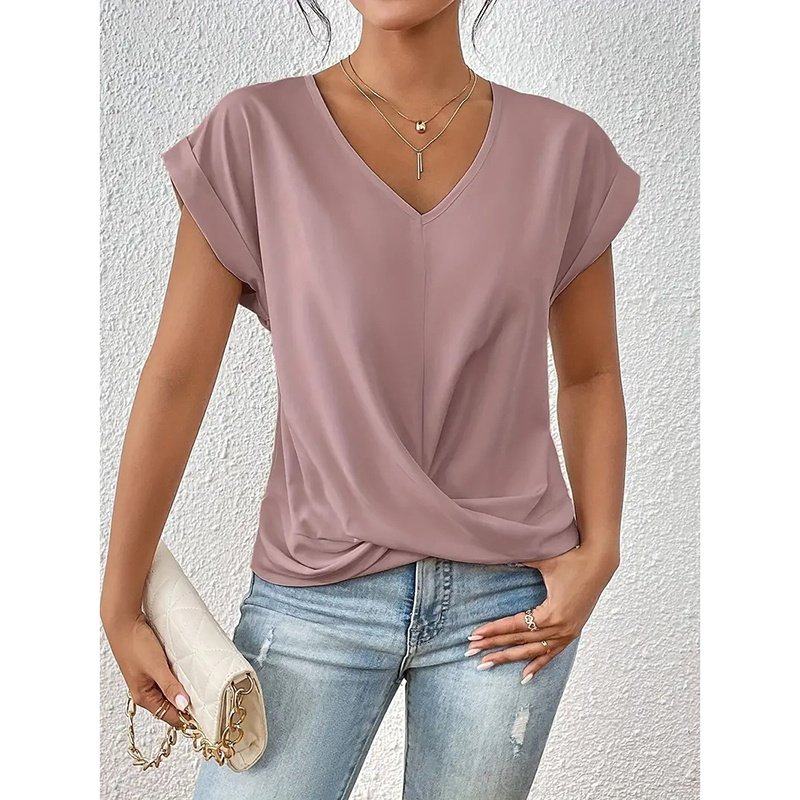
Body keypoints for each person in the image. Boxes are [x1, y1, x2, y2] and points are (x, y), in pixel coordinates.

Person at [100, 1, 640, 797]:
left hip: (507, 603)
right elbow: (177, 377)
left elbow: (591, 375)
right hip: (315, 595)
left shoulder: (564, 150)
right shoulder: (255, 136)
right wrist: (120, 603)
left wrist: (601, 551)